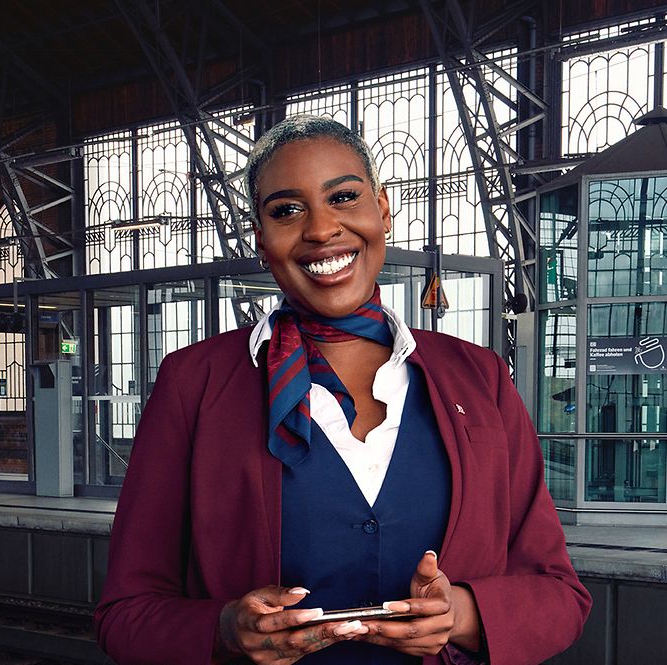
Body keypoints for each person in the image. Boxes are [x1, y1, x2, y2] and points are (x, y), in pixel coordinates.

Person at [95, 115, 591, 665]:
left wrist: (464, 616)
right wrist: (225, 631)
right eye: (286, 210)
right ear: (261, 239)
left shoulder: (480, 378)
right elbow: (126, 614)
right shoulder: (195, 382)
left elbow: (559, 593)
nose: (321, 229)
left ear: (382, 208)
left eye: (344, 197)